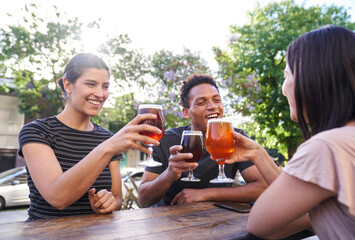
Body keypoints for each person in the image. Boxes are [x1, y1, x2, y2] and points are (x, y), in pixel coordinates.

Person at [225, 25, 355, 239]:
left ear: (313, 78)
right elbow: (296, 196)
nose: (283, 87)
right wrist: (257, 154)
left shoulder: (329, 146)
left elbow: (259, 223)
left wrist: (310, 216)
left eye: (287, 74)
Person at [18, 53, 162, 220]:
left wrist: (108, 204)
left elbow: (117, 200)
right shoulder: (37, 131)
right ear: (67, 85)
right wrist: (108, 147)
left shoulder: (107, 138)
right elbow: (58, 198)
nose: (100, 94)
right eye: (91, 84)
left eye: (105, 86)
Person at [138, 74, 267, 207]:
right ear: (186, 113)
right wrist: (168, 175)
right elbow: (143, 200)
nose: (213, 106)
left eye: (217, 100)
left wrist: (205, 195)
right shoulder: (166, 140)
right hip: (171, 222)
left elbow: (262, 187)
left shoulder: (237, 138)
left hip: (220, 221)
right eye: (201, 102)